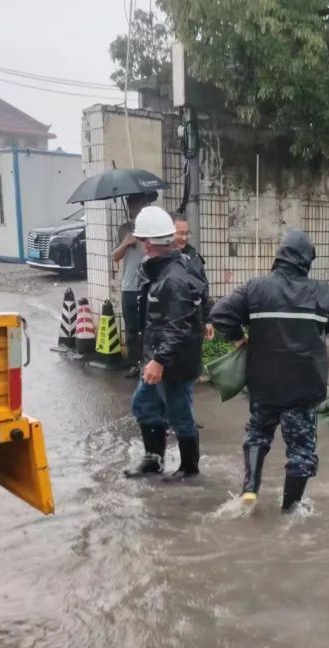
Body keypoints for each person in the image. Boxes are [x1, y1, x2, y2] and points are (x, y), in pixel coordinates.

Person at [210, 229, 329, 511]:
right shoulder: (323, 293)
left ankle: (251, 487)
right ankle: (290, 510)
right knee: (301, 452)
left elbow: (220, 314)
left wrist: (239, 336)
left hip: (264, 385)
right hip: (302, 389)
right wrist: (315, 327)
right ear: (306, 260)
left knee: (258, 433)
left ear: (281, 256)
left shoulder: (255, 288)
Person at [124, 206, 206, 482]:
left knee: (178, 412)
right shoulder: (160, 270)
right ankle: (153, 459)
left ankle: (189, 468)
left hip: (174, 362)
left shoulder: (174, 277)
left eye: (142, 240)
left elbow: (179, 326)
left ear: (149, 243)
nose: (141, 246)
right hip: (156, 356)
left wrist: (159, 360)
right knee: (144, 405)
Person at [113, 192, 157, 379]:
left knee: (149, 327)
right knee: (131, 328)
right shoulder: (124, 229)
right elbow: (115, 257)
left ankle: (149, 362)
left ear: (144, 205)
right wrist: (125, 243)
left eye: (136, 204)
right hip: (129, 287)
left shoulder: (153, 228)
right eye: (130, 204)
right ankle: (134, 363)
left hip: (149, 285)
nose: (132, 208)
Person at [173, 213, 214, 341]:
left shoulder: (193, 256)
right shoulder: (159, 258)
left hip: (194, 324)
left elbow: (203, 289)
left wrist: (207, 320)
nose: (184, 238)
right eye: (180, 233)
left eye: (187, 233)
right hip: (170, 326)